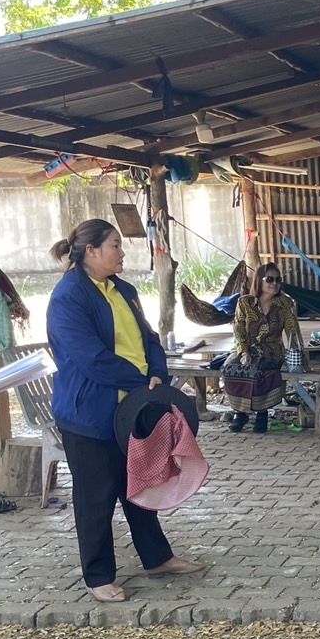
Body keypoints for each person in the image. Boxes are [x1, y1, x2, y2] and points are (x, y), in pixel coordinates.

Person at [46, 219, 204, 603]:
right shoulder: (69, 297)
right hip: (89, 414)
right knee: (95, 496)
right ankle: (98, 575)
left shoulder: (124, 290)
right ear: (91, 251)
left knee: (139, 483)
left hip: (132, 407)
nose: (123, 252)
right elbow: (90, 359)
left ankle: (157, 558)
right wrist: (139, 381)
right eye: (115, 245)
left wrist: (156, 374)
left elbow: (149, 338)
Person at [227, 262, 301, 434]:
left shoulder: (285, 304)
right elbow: (238, 330)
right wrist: (244, 352)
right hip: (245, 347)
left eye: (278, 280)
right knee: (232, 367)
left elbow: (292, 330)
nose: (274, 283)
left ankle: (262, 413)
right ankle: (241, 412)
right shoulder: (244, 303)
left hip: (271, 349)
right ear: (259, 281)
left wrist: (298, 358)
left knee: (260, 368)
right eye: (270, 279)